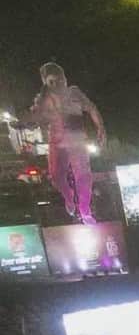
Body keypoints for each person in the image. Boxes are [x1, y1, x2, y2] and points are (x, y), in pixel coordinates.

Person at [28, 63, 105, 224]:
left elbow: (92, 108)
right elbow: (34, 119)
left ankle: (85, 210)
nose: (58, 84)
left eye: (60, 80)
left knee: (83, 176)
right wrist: (39, 108)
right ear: (47, 84)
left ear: (65, 78)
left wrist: (100, 128)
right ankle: (68, 198)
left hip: (76, 140)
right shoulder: (43, 99)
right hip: (56, 141)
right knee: (56, 176)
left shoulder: (74, 92)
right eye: (52, 82)